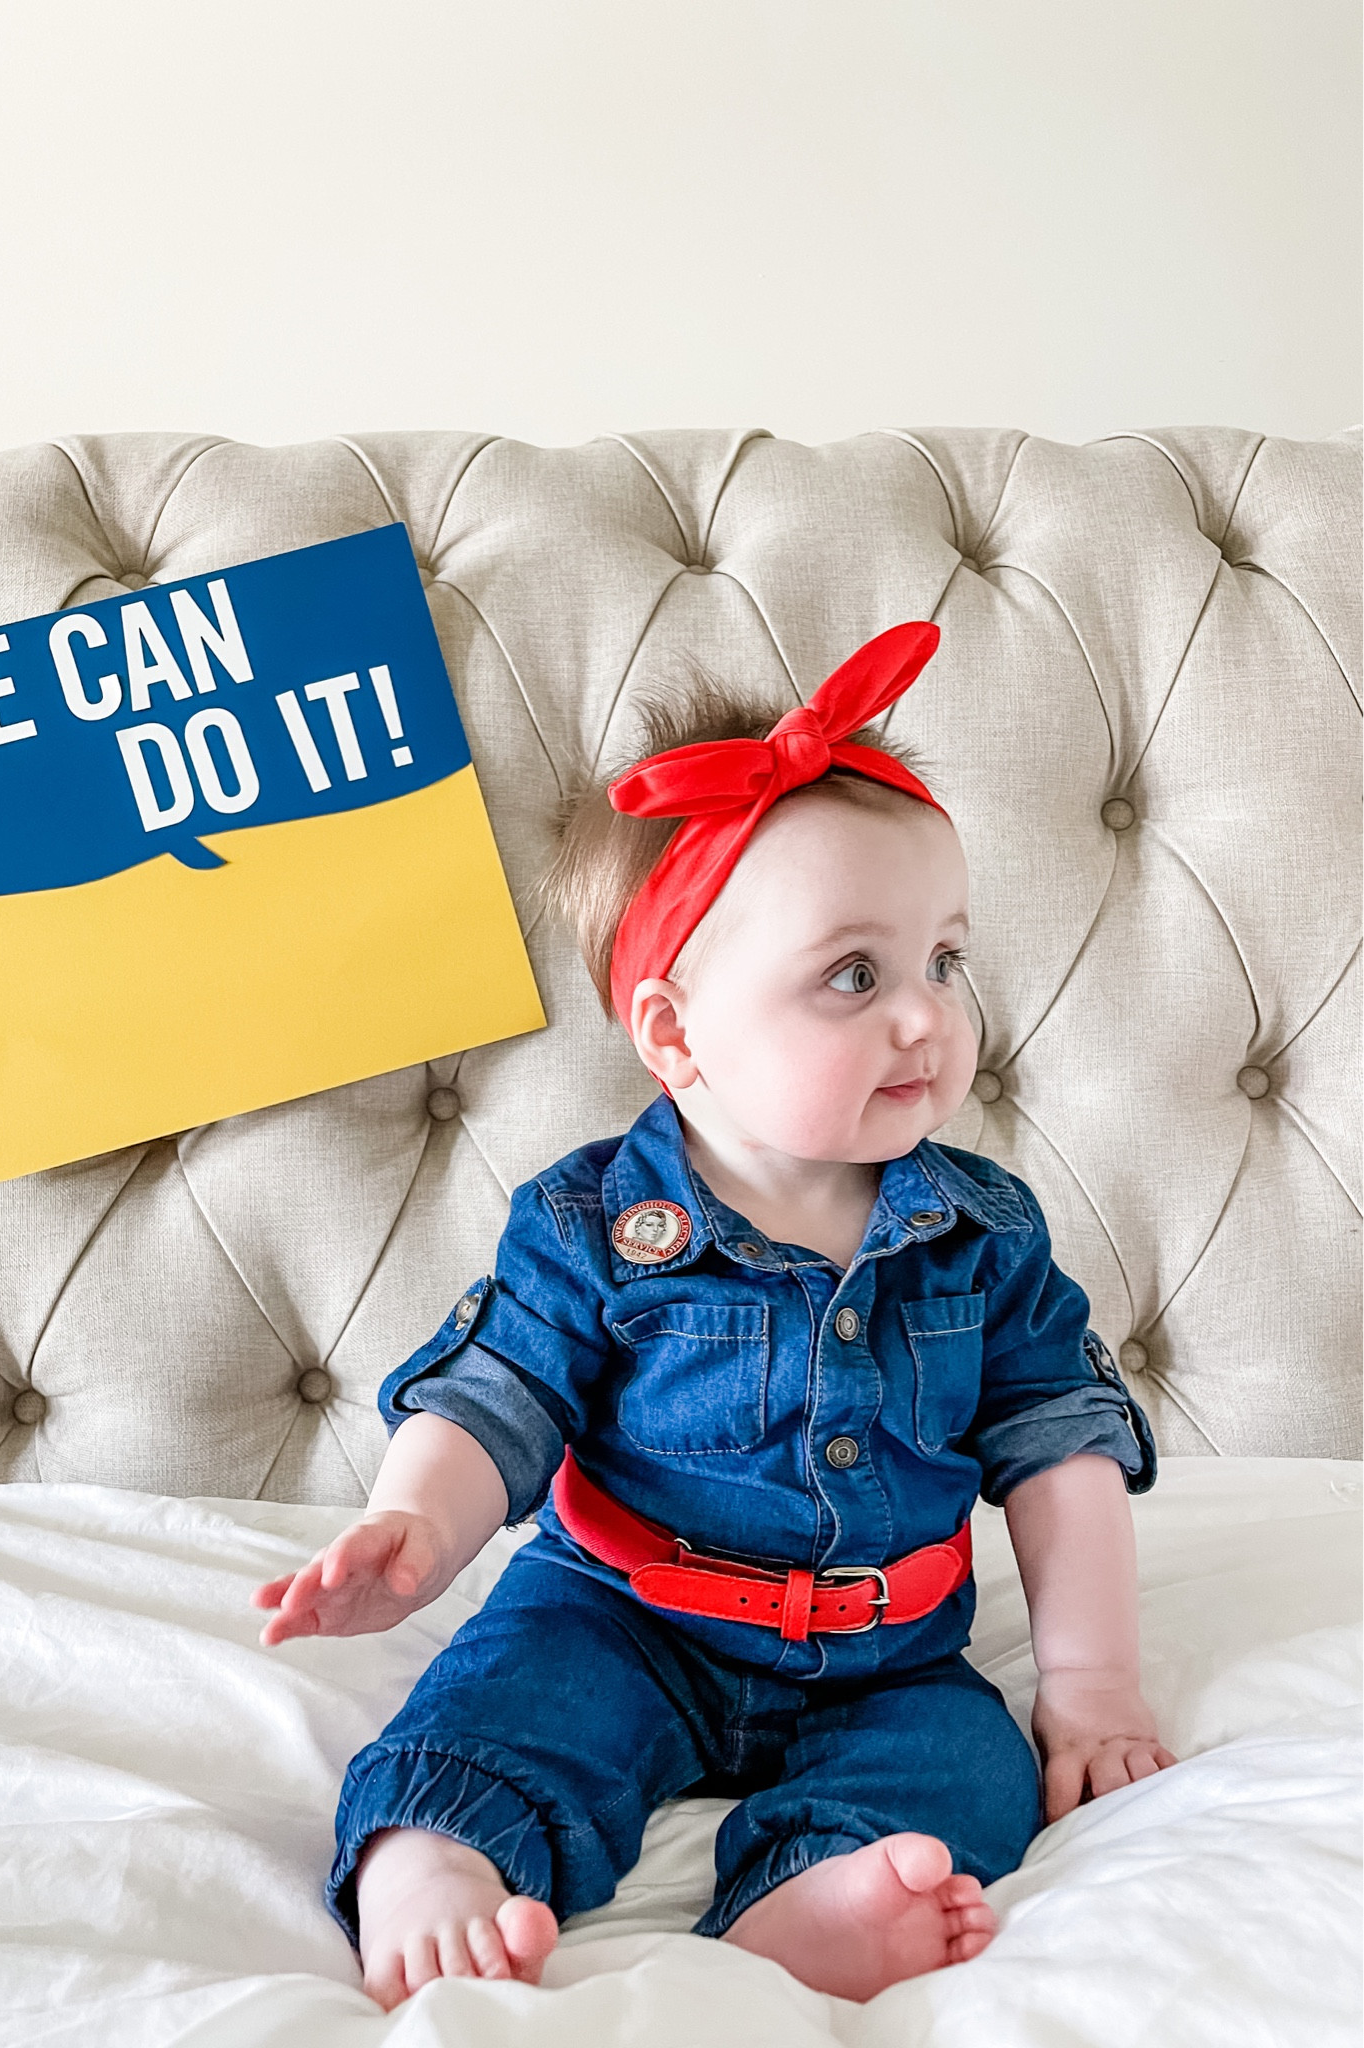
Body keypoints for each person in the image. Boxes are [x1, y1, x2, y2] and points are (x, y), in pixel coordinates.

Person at [253, 621, 1175, 2011]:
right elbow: (494, 1394)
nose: (925, 1019)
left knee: (959, 1773)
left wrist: (1092, 1684)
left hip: (887, 1649)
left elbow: (1059, 1449)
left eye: (944, 961)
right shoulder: (589, 1227)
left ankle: (809, 1900)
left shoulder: (978, 1232)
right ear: (675, 1034)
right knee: (502, 1710)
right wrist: (416, 1529)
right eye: (853, 977)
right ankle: (434, 1863)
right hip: (623, 1610)